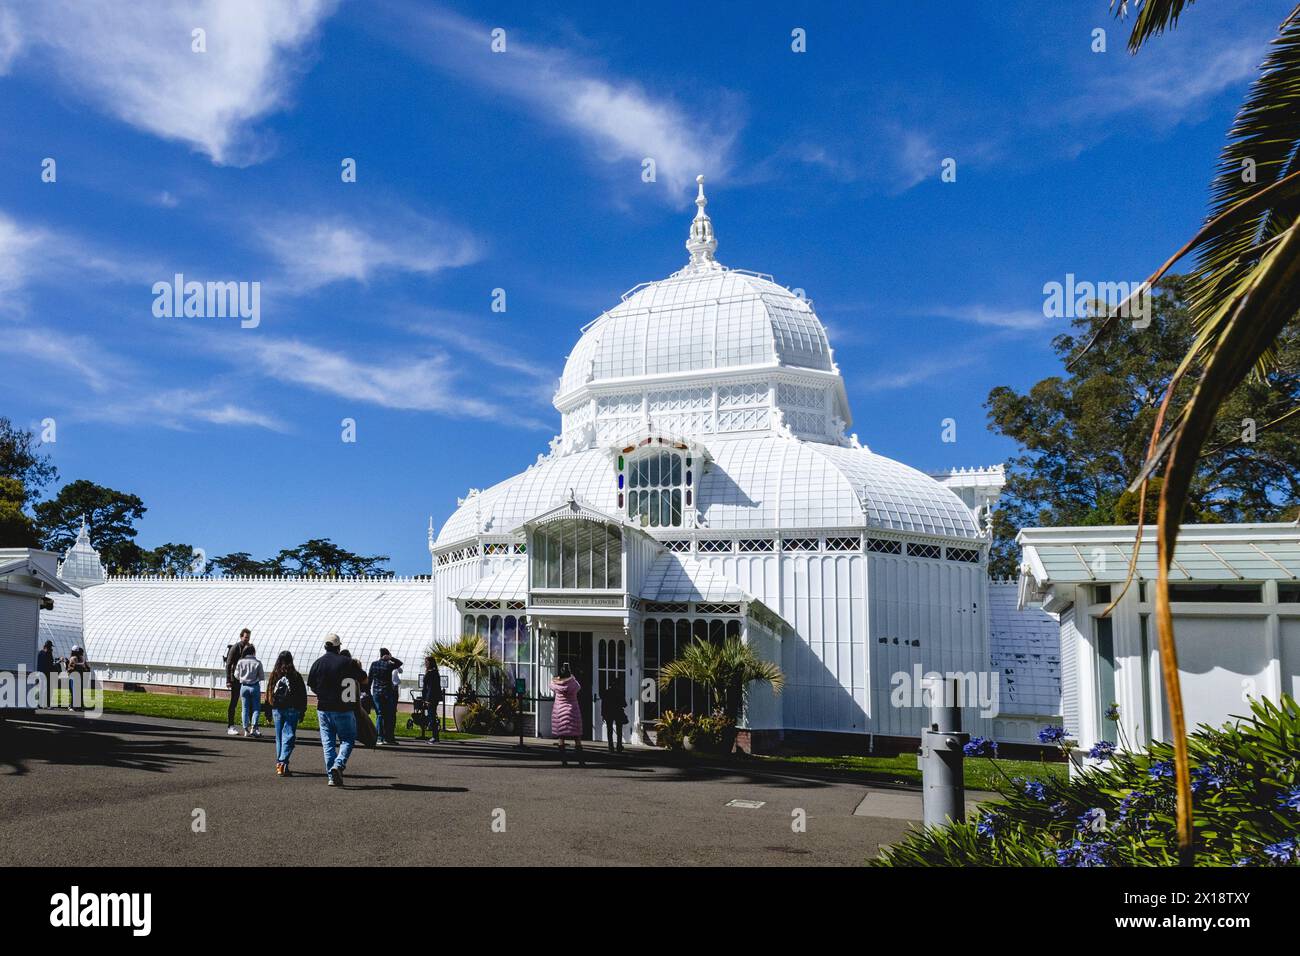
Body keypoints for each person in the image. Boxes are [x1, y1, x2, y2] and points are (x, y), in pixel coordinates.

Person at [308, 633, 357, 787]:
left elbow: (311, 684)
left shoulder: (318, 663)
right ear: (338, 646)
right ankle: (339, 764)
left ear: (325, 646)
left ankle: (331, 775)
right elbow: (360, 679)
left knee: (328, 743)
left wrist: (322, 693)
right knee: (348, 739)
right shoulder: (347, 662)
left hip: (323, 708)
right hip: (343, 707)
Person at [266, 651, 307, 777]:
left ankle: (280, 765)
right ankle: (283, 762)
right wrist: (302, 711)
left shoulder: (274, 675)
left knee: (279, 738)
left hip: (277, 709)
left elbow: (268, 693)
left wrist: (268, 711)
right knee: (288, 736)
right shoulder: (295, 675)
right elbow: (302, 694)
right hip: (292, 709)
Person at [550, 661, 585, 767]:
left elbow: (551, 684)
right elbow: (578, 687)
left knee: (561, 737)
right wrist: (572, 677)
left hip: (559, 711)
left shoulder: (555, 684)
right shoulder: (573, 684)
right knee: (577, 737)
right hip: (572, 711)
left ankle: (564, 760)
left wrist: (557, 678)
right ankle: (580, 760)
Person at [367, 647, 404, 746]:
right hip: (387, 692)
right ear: (387, 655)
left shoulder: (374, 664)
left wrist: (367, 691)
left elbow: (370, 678)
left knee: (380, 714)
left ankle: (379, 737)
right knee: (389, 715)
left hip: (376, 692)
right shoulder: (389, 665)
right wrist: (391, 658)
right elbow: (399, 663)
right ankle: (388, 737)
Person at [224, 628, 252, 736]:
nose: (247, 639)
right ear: (241, 637)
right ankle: (230, 726)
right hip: (236, 679)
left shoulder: (249, 647)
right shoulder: (236, 647)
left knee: (248, 703)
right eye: (245, 637)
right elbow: (229, 664)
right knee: (234, 702)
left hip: (246, 679)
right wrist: (228, 680)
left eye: (248, 637)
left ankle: (249, 727)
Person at [233, 644, 265, 737]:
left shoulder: (240, 662)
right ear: (253, 652)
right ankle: (254, 728)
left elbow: (236, 675)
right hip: (254, 686)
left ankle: (245, 729)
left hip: (244, 686)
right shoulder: (258, 663)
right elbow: (261, 677)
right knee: (256, 708)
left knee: (245, 708)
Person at [600, 675, 628, 754]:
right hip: (618, 712)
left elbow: (603, 704)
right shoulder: (620, 692)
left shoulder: (606, 692)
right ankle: (619, 746)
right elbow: (624, 704)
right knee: (619, 730)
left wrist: (603, 714)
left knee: (609, 730)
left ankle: (610, 747)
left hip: (608, 713)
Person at [420, 656, 444, 743]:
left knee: (432, 716)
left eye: (427, 662)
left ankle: (435, 736)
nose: (425, 664)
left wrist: (428, 699)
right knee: (431, 716)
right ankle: (434, 736)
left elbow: (431, 688)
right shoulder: (432, 672)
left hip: (431, 698)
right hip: (430, 697)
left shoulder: (432, 673)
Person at [65, 645, 91, 712]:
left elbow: (86, 667)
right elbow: (71, 668)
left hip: (78, 677)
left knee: (78, 692)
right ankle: (73, 706)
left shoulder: (79, 658)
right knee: (74, 692)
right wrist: (81, 666)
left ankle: (78, 706)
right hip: (74, 677)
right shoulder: (73, 658)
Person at [36, 640, 57, 709]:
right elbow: (51, 664)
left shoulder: (40, 652)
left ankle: (39, 704)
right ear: (50, 647)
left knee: (41, 689)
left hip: (39, 673)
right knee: (46, 689)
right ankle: (46, 705)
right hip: (46, 673)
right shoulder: (49, 653)